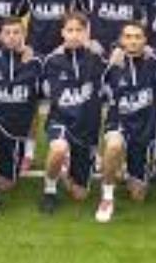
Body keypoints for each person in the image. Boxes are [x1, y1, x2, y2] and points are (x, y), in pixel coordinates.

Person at [95, 22, 156, 223]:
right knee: (115, 145)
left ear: (145, 40)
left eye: (137, 37)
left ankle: (122, 168)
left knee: (138, 196)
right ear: (121, 40)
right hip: (119, 124)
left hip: (144, 131)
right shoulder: (110, 64)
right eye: (128, 36)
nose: (133, 41)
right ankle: (107, 196)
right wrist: (109, 64)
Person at [22, 0, 83, 169]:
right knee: (32, 102)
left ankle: (64, 148)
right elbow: (18, 11)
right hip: (35, 51)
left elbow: (80, 14)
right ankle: (28, 152)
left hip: (62, 51)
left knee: (64, 101)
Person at [0, 17, 42, 215]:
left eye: (16, 32)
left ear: (24, 35)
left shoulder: (36, 62)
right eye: (7, 33)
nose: (12, 37)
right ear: (0, 36)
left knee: (7, 184)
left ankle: (10, 159)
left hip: (16, 130)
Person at [39, 12, 107, 214]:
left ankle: (67, 169)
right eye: (70, 30)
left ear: (87, 33)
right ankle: (49, 190)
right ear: (62, 33)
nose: (75, 35)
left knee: (80, 195)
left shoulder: (97, 60)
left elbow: (119, 65)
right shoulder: (52, 60)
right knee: (58, 148)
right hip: (62, 122)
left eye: (79, 30)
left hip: (87, 128)